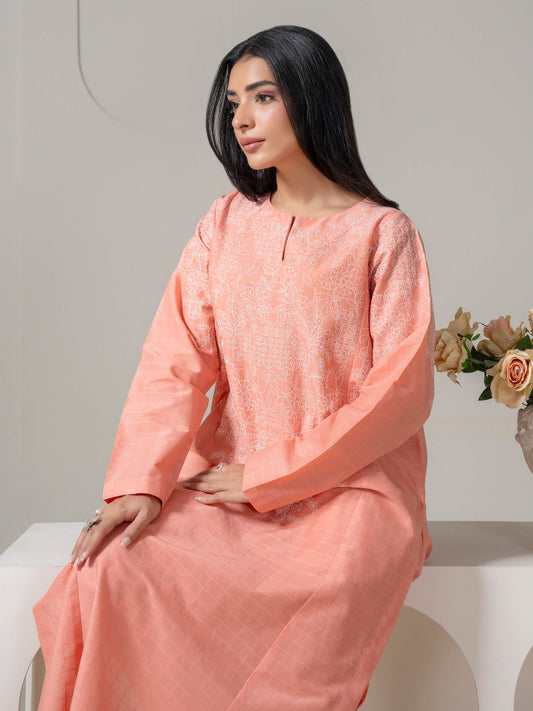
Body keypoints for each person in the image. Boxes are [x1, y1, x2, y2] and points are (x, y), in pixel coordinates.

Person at [33, 24, 435, 710]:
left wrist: (271, 474)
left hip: (354, 492)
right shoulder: (223, 225)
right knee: (111, 571)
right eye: (232, 104)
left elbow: (399, 392)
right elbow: (173, 360)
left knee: (328, 591)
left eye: (263, 96)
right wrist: (141, 482)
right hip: (226, 477)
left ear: (312, 97)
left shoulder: (381, 234)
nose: (242, 119)